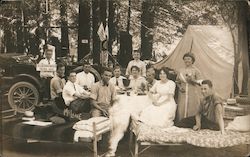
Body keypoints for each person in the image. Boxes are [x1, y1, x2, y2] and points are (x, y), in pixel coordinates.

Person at [176, 52, 202, 121]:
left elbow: (200, 83)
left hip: (192, 92)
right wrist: (180, 87)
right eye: (185, 59)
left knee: (192, 107)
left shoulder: (196, 71)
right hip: (183, 92)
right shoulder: (180, 70)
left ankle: (191, 122)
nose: (186, 60)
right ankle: (182, 121)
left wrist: (192, 80)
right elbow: (177, 82)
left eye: (188, 59)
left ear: (192, 60)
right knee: (182, 107)